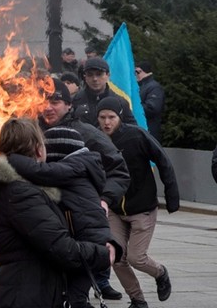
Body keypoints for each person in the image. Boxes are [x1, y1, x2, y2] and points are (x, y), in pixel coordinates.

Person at [0, 117, 115, 308]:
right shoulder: (21, 193)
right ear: (38, 149)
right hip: (26, 295)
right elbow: (60, 247)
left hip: (24, 290)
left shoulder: (17, 188)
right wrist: (103, 253)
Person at [6, 126, 122, 308]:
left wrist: (11, 159)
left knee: (74, 299)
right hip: (90, 243)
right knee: (74, 297)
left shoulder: (70, 169)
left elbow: (40, 172)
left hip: (88, 247)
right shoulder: (79, 169)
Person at [40, 78, 130, 300]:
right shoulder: (31, 130)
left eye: (55, 101)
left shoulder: (87, 133)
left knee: (77, 276)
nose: (48, 107)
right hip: (43, 216)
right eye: (43, 101)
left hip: (79, 217)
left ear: (69, 105)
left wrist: (104, 199)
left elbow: (119, 170)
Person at [97, 96, 178, 308]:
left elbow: (163, 160)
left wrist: (172, 197)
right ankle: (138, 301)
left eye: (111, 117)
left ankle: (160, 273)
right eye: (102, 117)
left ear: (120, 117)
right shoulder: (96, 139)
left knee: (136, 258)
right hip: (114, 209)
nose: (107, 122)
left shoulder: (137, 135)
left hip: (142, 207)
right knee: (116, 258)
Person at [72, 57, 136, 127]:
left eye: (99, 74)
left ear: (108, 75)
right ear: (85, 77)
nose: (95, 79)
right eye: (90, 75)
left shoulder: (120, 102)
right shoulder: (75, 100)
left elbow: (132, 130)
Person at [136, 61, 165, 142]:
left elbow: (153, 108)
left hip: (149, 130)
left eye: (137, 72)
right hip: (140, 130)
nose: (135, 75)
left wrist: (133, 107)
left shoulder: (154, 87)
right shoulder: (140, 87)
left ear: (144, 71)